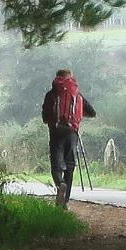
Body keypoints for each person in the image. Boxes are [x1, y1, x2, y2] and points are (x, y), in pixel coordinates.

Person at [41, 68, 97, 207]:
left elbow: (45, 117)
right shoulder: (77, 94)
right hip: (72, 133)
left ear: (57, 78)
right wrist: (76, 117)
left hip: (56, 132)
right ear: (71, 78)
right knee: (70, 166)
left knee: (56, 166)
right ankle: (65, 202)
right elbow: (92, 112)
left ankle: (60, 184)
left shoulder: (51, 94)